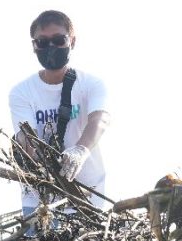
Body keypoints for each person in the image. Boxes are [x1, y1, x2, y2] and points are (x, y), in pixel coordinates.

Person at [9, 9, 111, 225]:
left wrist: (80, 150)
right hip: (39, 196)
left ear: (72, 41)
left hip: (85, 193)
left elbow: (99, 119)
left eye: (59, 40)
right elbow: (25, 138)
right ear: (34, 46)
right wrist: (43, 165)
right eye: (42, 42)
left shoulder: (91, 85)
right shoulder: (21, 92)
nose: (51, 47)